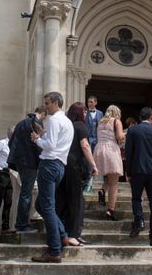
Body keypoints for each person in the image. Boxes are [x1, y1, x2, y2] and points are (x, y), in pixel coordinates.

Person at [30, 92, 74, 263]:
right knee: (41, 204)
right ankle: (62, 235)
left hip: (49, 165)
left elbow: (50, 145)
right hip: (59, 166)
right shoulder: (67, 121)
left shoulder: (55, 120)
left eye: (47, 103)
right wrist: (43, 135)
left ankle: (55, 250)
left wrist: (36, 140)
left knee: (46, 207)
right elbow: (56, 142)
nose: (46, 106)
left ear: (56, 103)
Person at [56, 102, 98, 246]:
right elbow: (85, 146)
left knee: (63, 199)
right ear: (79, 113)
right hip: (75, 165)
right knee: (77, 200)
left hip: (62, 163)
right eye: (84, 111)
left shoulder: (66, 125)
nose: (86, 114)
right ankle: (73, 234)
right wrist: (93, 165)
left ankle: (61, 232)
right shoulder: (80, 125)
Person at [124, 107, 152, 246]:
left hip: (137, 170)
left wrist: (128, 172)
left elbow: (128, 152)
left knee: (136, 198)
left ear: (139, 117)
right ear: (151, 117)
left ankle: (139, 220)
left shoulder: (132, 130)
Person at [8, 108, 44, 233]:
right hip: (30, 162)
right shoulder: (36, 123)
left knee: (25, 192)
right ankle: (22, 224)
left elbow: (11, 142)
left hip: (20, 161)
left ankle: (21, 223)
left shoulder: (21, 123)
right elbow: (38, 144)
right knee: (26, 194)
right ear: (43, 114)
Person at [93, 105, 124, 220]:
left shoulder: (100, 122)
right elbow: (119, 137)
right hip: (111, 149)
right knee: (114, 183)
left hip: (99, 149)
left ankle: (102, 191)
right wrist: (125, 135)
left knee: (111, 176)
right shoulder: (116, 121)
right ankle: (111, 210)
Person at [84, 96, 103, 193]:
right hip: (87, 139)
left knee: (97, 159)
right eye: (88, 102)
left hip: (97, 139)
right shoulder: (84, 112)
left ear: (96, 103)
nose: (89, 104)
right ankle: (88, 181)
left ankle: (97, 180)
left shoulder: (100, 113)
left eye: (91, 102)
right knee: (88, 160)